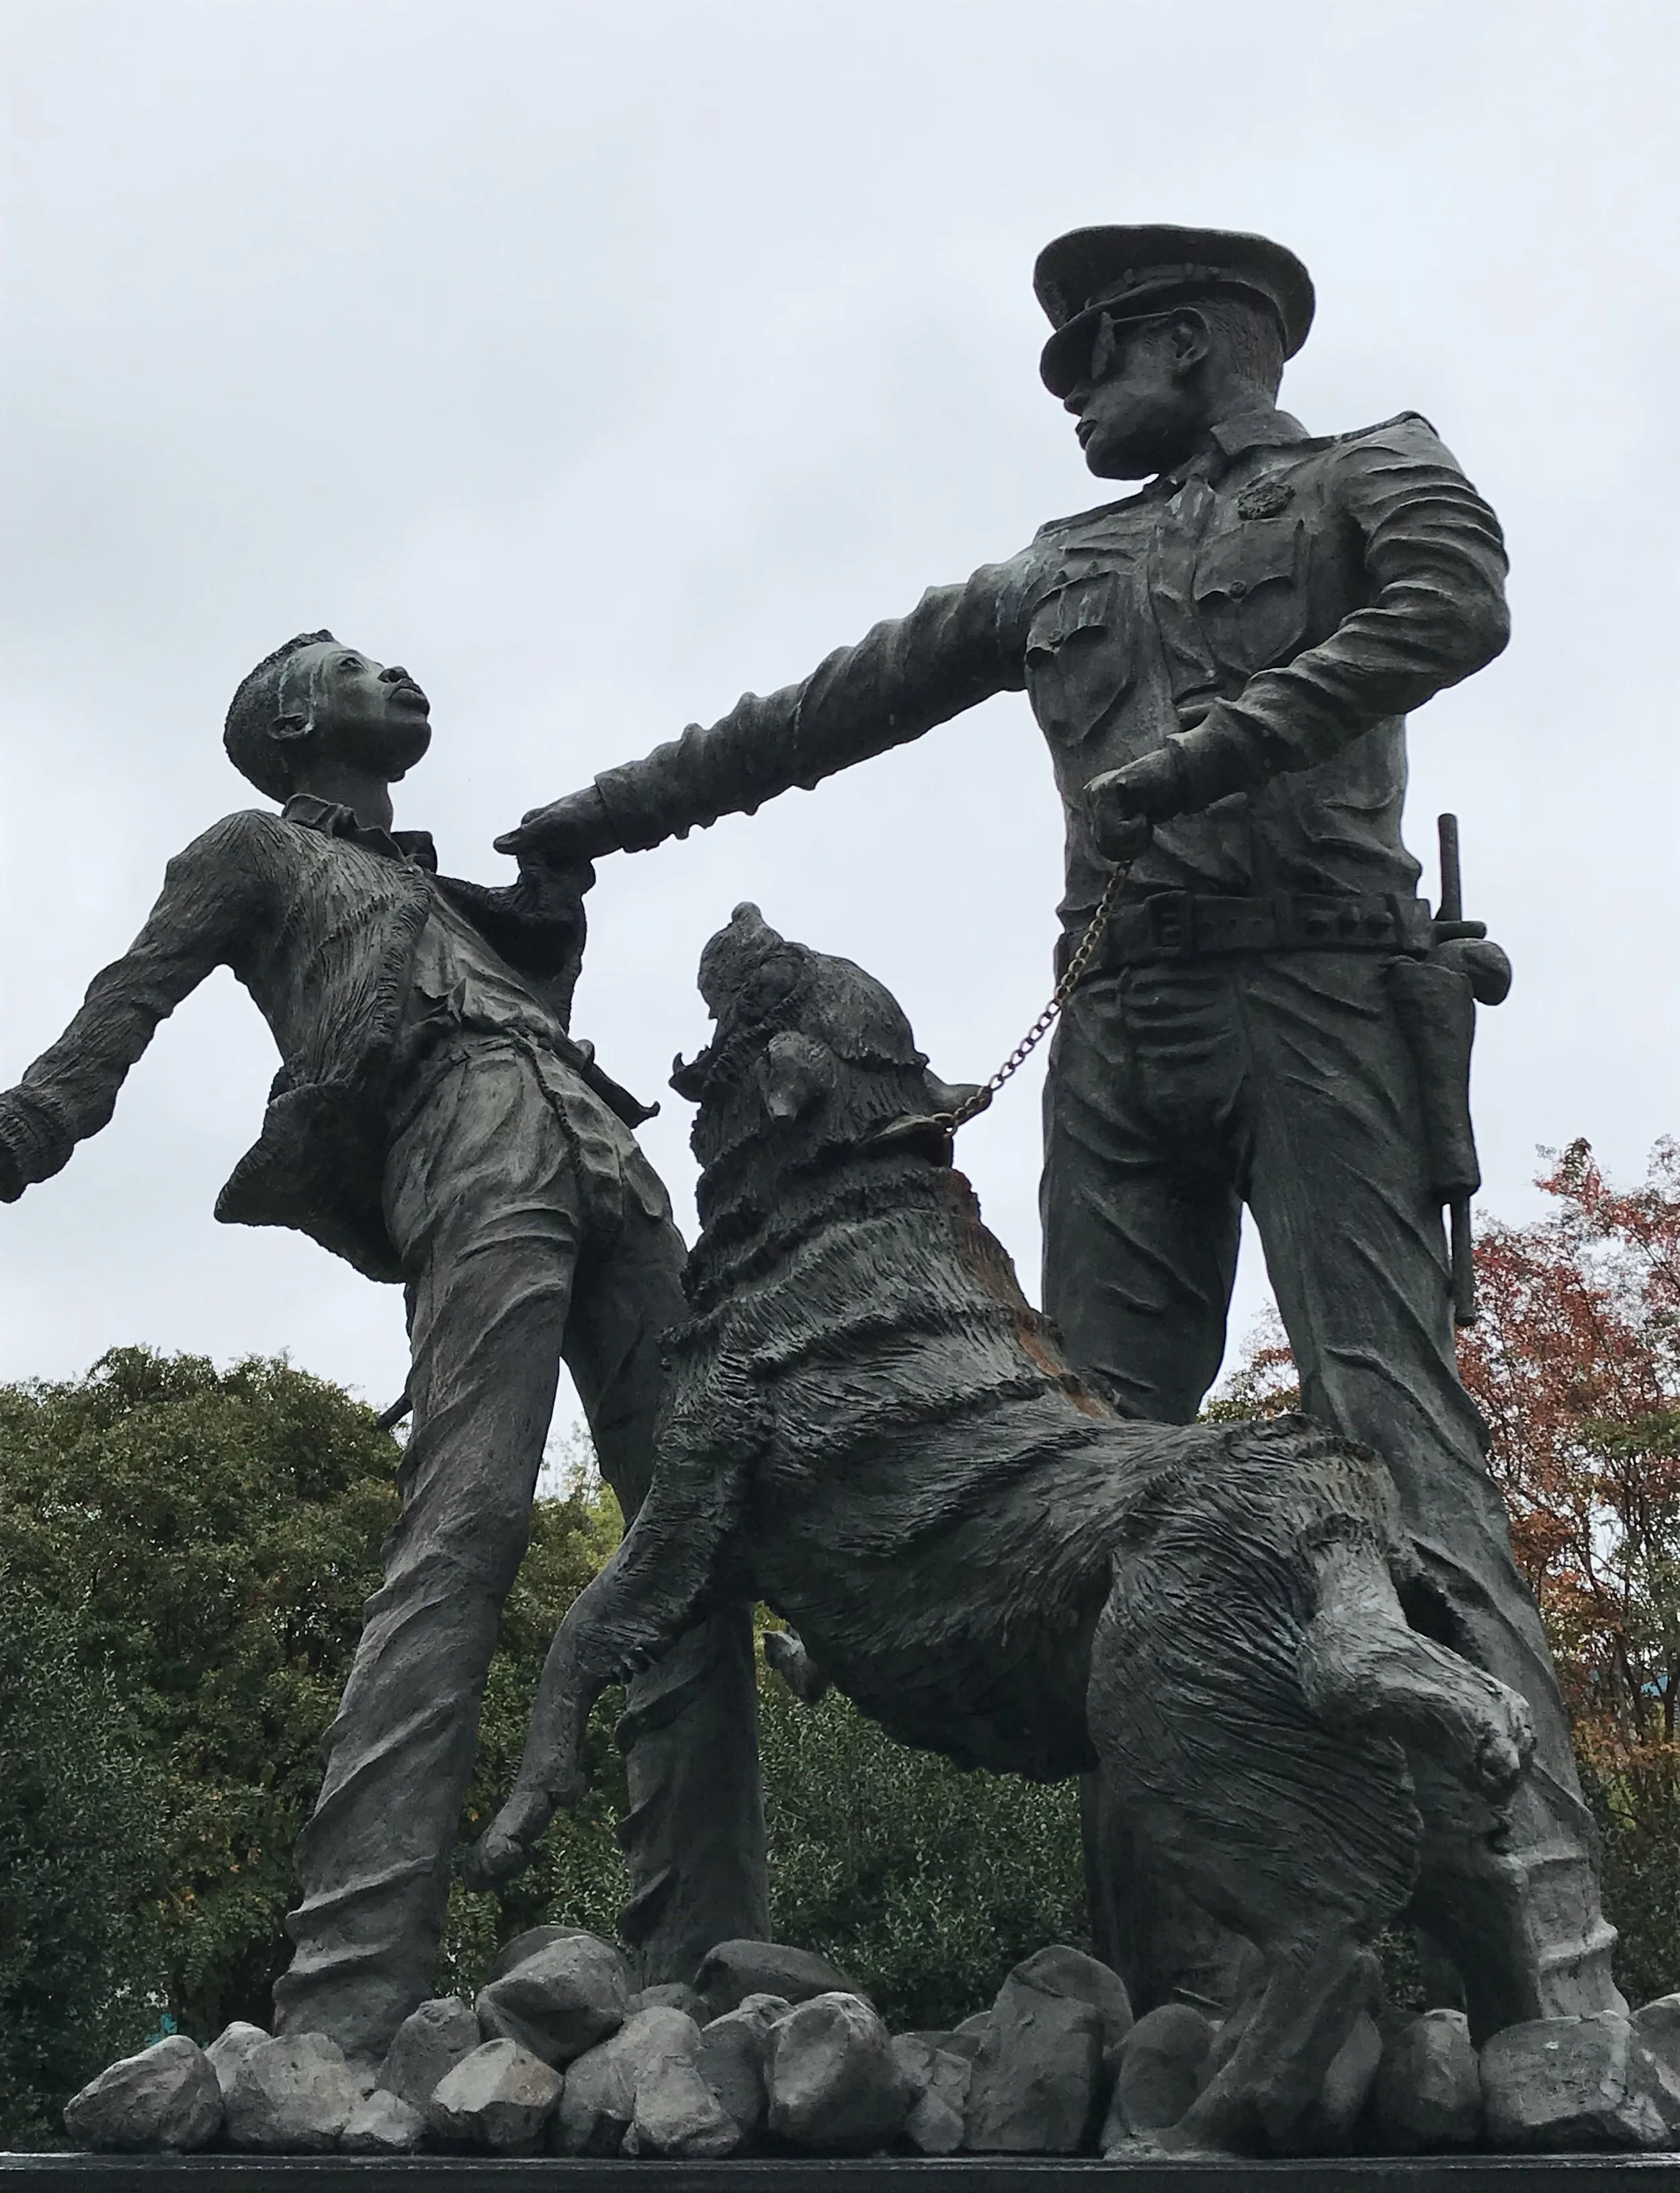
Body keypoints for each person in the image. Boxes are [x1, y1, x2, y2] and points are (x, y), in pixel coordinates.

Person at [499, 225, 1617, 2032]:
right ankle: (1175, 1994)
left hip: (1317, 995)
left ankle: (1552, 1995)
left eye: (1095, 362)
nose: (1076, 399)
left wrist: (1223, 743)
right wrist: (607, 811)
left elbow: (1456, 608)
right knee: (1095, 1514)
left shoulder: (1367, 467)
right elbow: (818, 709)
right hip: (1113, 1030)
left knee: (1396, 1445)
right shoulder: (1058, 568)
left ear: (1188, 339)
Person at [0, 630, 768, 2062]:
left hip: (601, 1145)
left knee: (695, 1537)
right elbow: (134, 990)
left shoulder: (448, 890)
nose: (397, 674)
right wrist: (38, 1123)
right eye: (354, 665)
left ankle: (708, 1962)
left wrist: (551, 921)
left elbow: (526, 1011)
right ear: (293, 719)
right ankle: (348, 1993)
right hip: (465, 1136)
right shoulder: (251, 851)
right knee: (465, 1521)